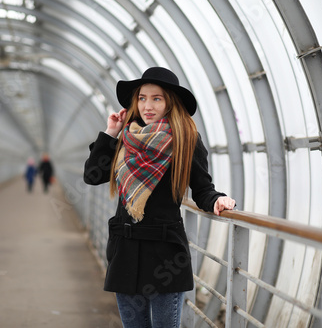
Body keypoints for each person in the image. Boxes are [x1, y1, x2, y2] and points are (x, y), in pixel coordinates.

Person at [83, 67, 236, 327]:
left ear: (169, 103)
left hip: (164, 254)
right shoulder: (125, 138)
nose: (147, 105)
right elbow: (93, 175)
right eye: (142, 98)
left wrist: (218, 199)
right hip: (126, 249)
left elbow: (201, 188)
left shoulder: (186, 139)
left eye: (157, 98)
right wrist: (111, 132)